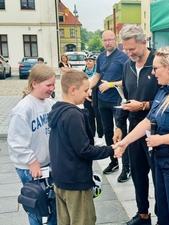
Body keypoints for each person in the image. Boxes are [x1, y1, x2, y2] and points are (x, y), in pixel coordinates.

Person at [114, 46, 169, 225]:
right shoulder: (163, 91)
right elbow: (147, 121)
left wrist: (160, 139)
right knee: (163, 210)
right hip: (162, 159)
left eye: (155, 68)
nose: (153, 73)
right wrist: (124, 142)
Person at [48, 70, 116, 225]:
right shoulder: (73, 115)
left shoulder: (57, 111)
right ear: (72, 90)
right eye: (85, 90)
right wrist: (111, 149)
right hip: (75, 183)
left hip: (60, 180)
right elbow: (84, 150)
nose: (88, 94)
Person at [113, 24, 161, 225]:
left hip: (156, 130)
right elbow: (125, 99)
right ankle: (143, 215)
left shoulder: (159, 61)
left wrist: (143, 105)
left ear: (144, 42)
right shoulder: (127, 65)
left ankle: (163, 216)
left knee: (159, 178)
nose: (129, 53)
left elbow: (167, 97)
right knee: (138, 174)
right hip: (134, 130)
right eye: (125, 49)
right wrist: (119, 126)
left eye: (132, 49)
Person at [7, 64, 57, 225]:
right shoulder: (23, 109)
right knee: (36, 205)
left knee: (54, 203)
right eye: (48, 85)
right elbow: (16, 142)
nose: (52, 88)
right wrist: (31, 161)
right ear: (34, 84)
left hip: (47, 164)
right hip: (30, 168)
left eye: (53, 84)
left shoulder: (49, 103)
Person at [89, 30, 131, 182]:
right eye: (105, 40)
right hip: (102, 100)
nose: (108, 43)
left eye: (110, 40)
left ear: (115, 40)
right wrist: (89, 87)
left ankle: (127, 167)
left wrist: (111, 85)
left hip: (117, 100)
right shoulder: (100, 57)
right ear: (102, 41)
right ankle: (113, 162)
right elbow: (98, 75)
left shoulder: (123, 57)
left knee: (121, 132)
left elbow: (128, 80)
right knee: (107, 132)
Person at [83, 53, 105, 146]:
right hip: (87, 97)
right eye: (87, 61)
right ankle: (91, 136)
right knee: (89, 117)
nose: (88, 62)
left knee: (98, 117)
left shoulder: (98, 73)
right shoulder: (83, 72)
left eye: (90, 61)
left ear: (94, 62)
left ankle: (100, 136)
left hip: (96, 95)